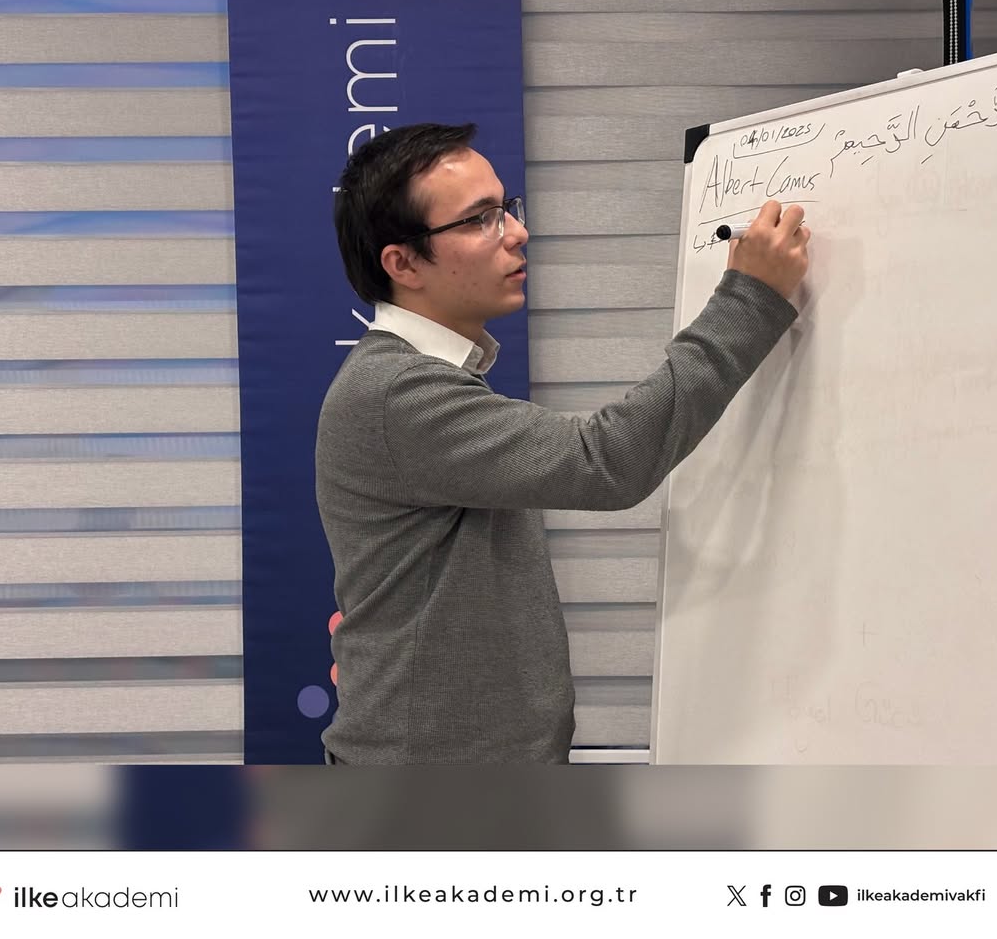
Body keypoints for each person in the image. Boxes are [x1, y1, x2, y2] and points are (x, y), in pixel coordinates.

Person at [316, 122, 810, 764]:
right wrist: (750, 298)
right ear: (402, 263)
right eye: (480, 219)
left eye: (506, 208)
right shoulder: (397, 392)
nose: (516, 233)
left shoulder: (422, 379)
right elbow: (605, 461)